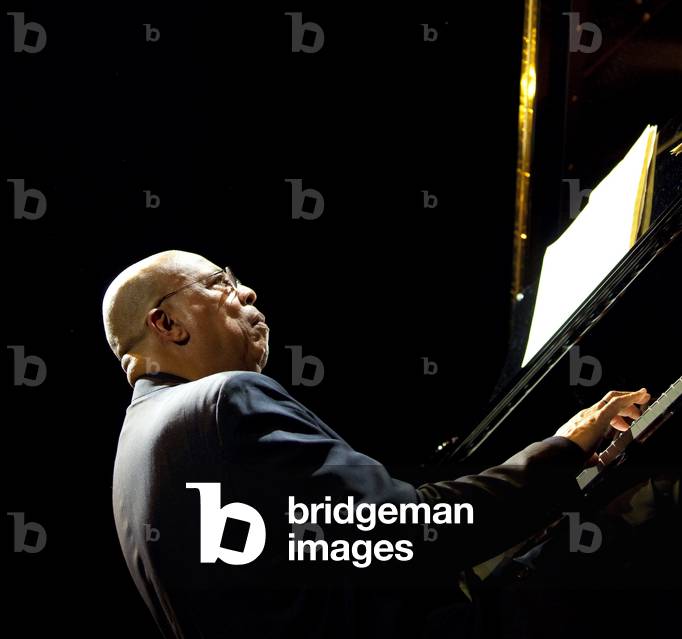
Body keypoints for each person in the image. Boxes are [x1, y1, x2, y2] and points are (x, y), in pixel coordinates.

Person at [103, 250, 649, 639]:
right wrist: (563, 448)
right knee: (651, 508)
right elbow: (409, 531)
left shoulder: (133, 460)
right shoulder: (226, 400)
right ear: (166, 322)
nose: (245, 291)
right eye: (220, 282)